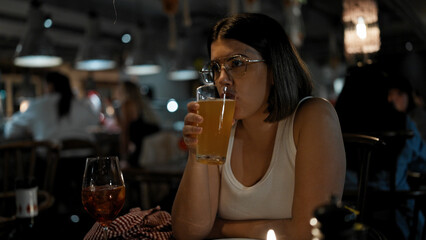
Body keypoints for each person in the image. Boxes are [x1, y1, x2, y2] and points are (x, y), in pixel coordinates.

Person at [171, 13, 346, 240]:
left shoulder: (313, 117)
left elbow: (310, 232)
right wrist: (196, 152)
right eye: (216, 67)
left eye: (236, 63)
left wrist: (220, 227)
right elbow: (187, 232)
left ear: (274, 69)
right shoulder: (219, 130)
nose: (222, 78)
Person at [335, 64, 426, 240]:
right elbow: (422, 161)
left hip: (345, 219)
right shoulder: (401, 124)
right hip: (394, 218)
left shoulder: (334, 125)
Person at [3, 71, 99, 144]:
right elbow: (95, 120)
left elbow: (10, 131)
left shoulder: (38, 106)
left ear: (50, 86)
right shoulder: (81, 104)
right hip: (84, 161)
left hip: (51, 165)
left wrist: (31, 129)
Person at [115, 80, 160, 168]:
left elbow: (126, 129)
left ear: (124, 91)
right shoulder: (140, 102)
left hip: (141, 146)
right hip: (149, 144)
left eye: (119, 89)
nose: (116, 91)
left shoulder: (128, 103)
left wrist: (124, 156)